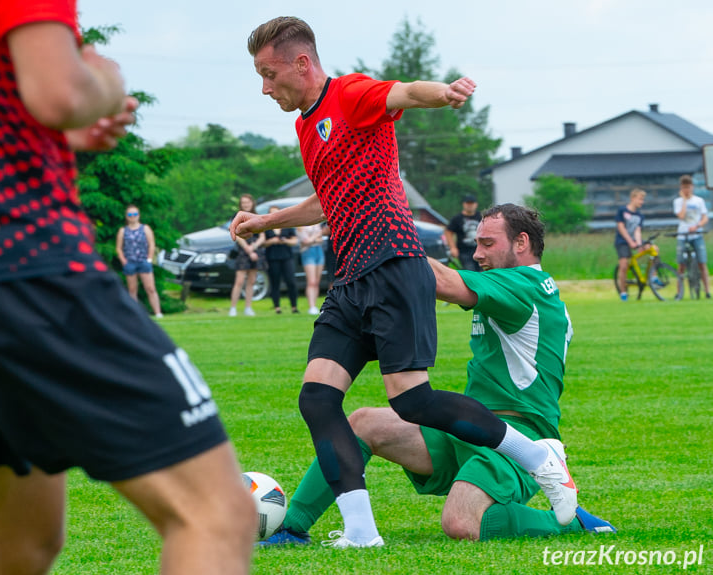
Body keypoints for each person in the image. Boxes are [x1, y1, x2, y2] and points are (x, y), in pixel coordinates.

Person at [0, 3, 255, 574]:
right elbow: (62, 94)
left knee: (17, 545)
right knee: (217, 515)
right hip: (20, 261)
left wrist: (25, 116)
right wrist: (105, 82)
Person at [235, 17, 577, 549]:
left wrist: (445, 93)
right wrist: (265, 221)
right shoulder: (306, 126)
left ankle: (537, 457)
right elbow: (329, 198)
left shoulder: (348, 93)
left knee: (413, 402)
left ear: (302, 63)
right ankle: (362, 533)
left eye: (268, 73)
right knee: (317, 400)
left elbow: (404, 93)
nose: (264, 87)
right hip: (348, 279)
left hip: (393, 265)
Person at [262, 204, 615, 546]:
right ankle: (290, 528)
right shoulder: (515, 285)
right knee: (364, 423)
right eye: (477, 243)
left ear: (522, 243)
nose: (477, 254)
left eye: (488, 244)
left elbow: (442, 281)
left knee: (462, 522)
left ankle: (571, 524)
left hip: (521, 434)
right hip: (470, 429)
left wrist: (381, 241)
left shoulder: (525, 285)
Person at [116, 204, 163, 318]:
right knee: (132, 290)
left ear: (139, 215)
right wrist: (123, 261)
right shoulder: (123, 231)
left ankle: (158, 312)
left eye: (135, 214)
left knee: (150, 288)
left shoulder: (145, 228)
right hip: (130, 262)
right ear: (127, 216)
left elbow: (151, 244)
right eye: (130, 214)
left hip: (143, 261)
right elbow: (118, 248)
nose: (133, 216)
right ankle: (135, 315)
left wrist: (149, 259)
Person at [673, 175, 710, 299]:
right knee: (681, 265)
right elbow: (681, 216)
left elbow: (705, 217)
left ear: (692, 187)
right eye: (684, 187)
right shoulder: (678, 201)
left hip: (696, 234)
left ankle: (707, 291)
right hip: (683, 235)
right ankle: (679, 292)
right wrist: (684, 200)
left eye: (688, 187)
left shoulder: (698, 201)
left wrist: (698, 225)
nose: (686, 190)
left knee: (702, 262)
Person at [229, 194, 266, 317]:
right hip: (243, 252)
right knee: (239, 280)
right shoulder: (237, 216)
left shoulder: (257, 216)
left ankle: (248, 307)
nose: (246, 204)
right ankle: (233, 308)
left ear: (252, 203)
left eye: (248, 202)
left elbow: (262, 236)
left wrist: (254, 248)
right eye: (243, 202)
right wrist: (248, 250)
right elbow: (237, 235)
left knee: (252, 280)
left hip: (255, 250)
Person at [265, 206, 299, 314]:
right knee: (275, 282)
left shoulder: (287, 225)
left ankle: (294, 306)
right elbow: (262, 243)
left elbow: (294, 241)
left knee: (291, 281)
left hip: (287, 256)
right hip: (272, 257)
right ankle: (277, 307)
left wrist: (285, 241)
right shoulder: (266, 227)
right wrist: (272, 241)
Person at [615, 188, 646, 301]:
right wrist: (630, 242)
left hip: (634, 240)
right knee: (623, 266)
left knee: (652, 249)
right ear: (633, 198)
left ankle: (653, 275)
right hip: (622, 241)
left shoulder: (640, 216)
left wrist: (638, 243)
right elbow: (621, 228)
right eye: (640, 199)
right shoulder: (622, 211)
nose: (641, 202)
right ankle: (623, 292)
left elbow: (638, 231)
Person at [446, 194, 482, 271]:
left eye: (471, 203)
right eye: (468, 203)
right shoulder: (457, 218)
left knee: (481, 271)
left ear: (476, 204)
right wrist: (452, 247)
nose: (470, 206)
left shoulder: (481, 217)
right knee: (470, 270)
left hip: (479, 249)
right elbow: (448, 232)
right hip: (464, 251)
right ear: (464, 204)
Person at [297, 222, 324, 314]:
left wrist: (313, 239)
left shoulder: (317, 224)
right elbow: (305, 241)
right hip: (307, 252)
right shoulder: (300, 225)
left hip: (319, 251)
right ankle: (311, 306)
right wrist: (316, 236)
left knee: (317, 281)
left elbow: (321, 239)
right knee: (311, 281)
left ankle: (315, 305)